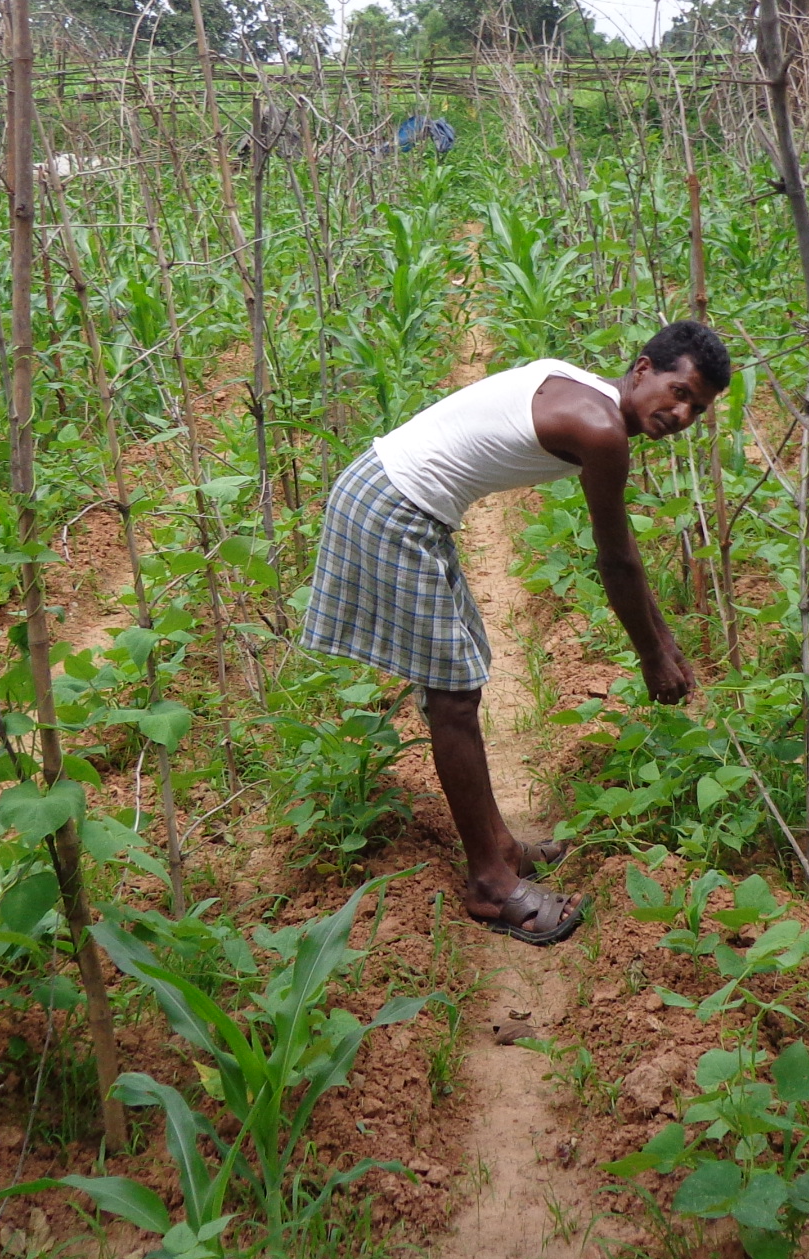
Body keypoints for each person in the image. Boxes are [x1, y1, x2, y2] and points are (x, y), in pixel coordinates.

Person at [299, 319, 733, 943]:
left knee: (461, 672)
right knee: (452, 696)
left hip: (396, 495)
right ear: (642, 370)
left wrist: (665, 641)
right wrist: (652, 653)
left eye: (698, 406)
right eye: (679, 390)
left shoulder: (587, 391)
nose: (683, 412)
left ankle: (500, 845)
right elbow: (616, 556)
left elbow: (625, 554)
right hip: (395, 507)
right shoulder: (602, 429)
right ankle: (491, 886)